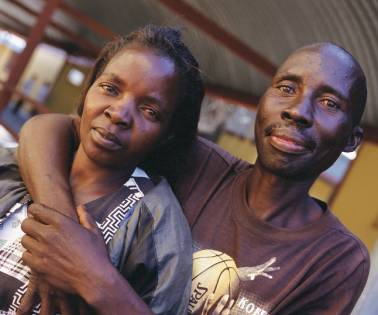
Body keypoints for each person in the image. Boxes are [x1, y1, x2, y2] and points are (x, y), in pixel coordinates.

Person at [9, 42, 369, 314]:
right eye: (287, 88)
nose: (297, 111)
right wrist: (59, 231)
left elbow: (95, 279)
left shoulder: (334, 259)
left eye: (329, 103)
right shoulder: (196, 164)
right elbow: (49, 129)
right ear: (264, 101)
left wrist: (95, 279)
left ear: (352, 138)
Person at [0, 24, 205, 314]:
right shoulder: (12, 164)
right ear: (87, 92)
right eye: (109, 89)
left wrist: (90, 279)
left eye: (150, 111)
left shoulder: (156, 229)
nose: (119, 113)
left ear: (168, 133)